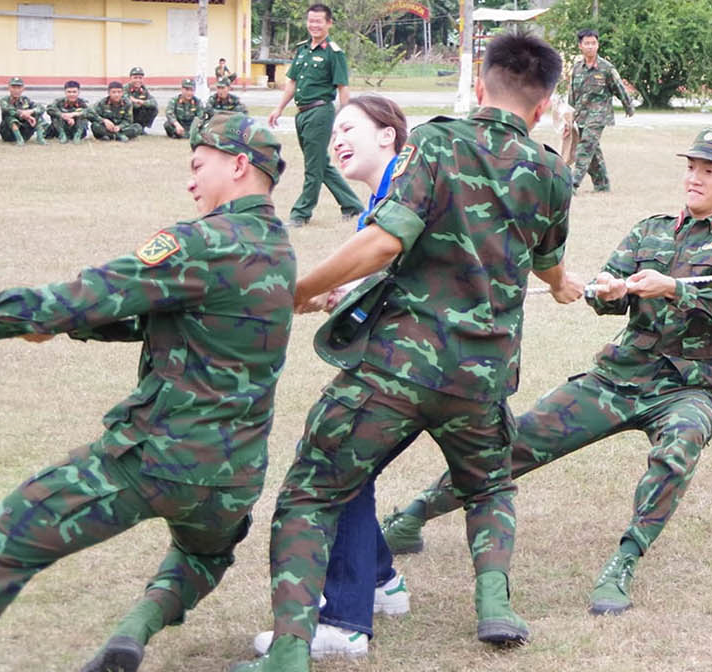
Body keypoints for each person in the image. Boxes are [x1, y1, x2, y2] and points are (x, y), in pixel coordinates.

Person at [0, 113, 294, 672]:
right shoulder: (278, 247)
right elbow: (160, 318)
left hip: (153, 463)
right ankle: (132, 631)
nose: (190, 181)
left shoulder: (198, 242)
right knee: (205, 554)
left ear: (238, 164)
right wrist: (64, 324)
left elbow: (87, 294)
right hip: (234, 478)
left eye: (198, 166)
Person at [241, 33, 580, 671]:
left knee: (313, 491)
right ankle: (494, 605)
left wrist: (300, 290)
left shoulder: (436, 141)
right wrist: (568, 289)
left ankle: (291, 649)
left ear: (480, 86)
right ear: (544, 105)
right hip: (482, 378)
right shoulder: (551, 171)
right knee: (488, 488)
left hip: (397, 367)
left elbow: (384, 241)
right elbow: (552, 269)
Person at [379, 129, 712, 619]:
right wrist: (607, 291)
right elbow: (613, 291)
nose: (694, 178)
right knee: (516, 442)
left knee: (678, 450)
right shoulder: (650, 229)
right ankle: (414, 516)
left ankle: (625, 560)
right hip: (622, 375)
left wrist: (674, 289)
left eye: (709, 172)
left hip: (692, 384)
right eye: (691, 167)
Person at [246, 94, 414, 661]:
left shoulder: (404, 187)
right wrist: (341, 295)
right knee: (350, 466)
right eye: (333, 132)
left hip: (419, 367)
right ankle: (382, 579)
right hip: (428, 363)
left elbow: (395, 262)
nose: (337, 140)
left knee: (332, 464)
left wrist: (311, 289)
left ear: (388, 136)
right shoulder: (382, 199)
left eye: (349, 129)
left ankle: (344, 619)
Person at [269, 3, 364, 227]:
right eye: (311, 21)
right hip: (302, 114)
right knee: (320, 163)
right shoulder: (302, 50)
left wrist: (344, 118)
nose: (314, 25)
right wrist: (279, 108)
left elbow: (343, 88)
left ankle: (301, 214)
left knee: (313, 167)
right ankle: (352, 206)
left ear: (328, 23)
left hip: (320, 113)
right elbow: (292, 83)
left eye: (318, 21)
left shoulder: (334, 53)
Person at [565, 28, 637, 192]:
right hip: (581, 116)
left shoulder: (606, 68)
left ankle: (572, 184)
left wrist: (629, 106)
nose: (590, 46)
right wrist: (569, 117)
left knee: (584, 149)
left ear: (598, 45)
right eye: (587, 43)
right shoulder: (577, 68)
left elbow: (619, 88)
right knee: (593, 152)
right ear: (580, 46)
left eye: (593, 43)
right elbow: (572, 95)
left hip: (599, 116)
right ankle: (602, 185)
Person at [0, 77, 44, 145]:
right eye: (13, 87)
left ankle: (40, 138)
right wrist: (24, 115)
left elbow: (41, 108)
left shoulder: (25, 100)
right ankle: (19, 140)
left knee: (37, 115)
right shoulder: (4, 100)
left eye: (19, 87)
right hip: (8, 133)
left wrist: (31, 111)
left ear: (23, 89)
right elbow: (8, 109)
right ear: (9, 88)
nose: (16, 90)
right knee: (9, 117)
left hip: (24, 132)